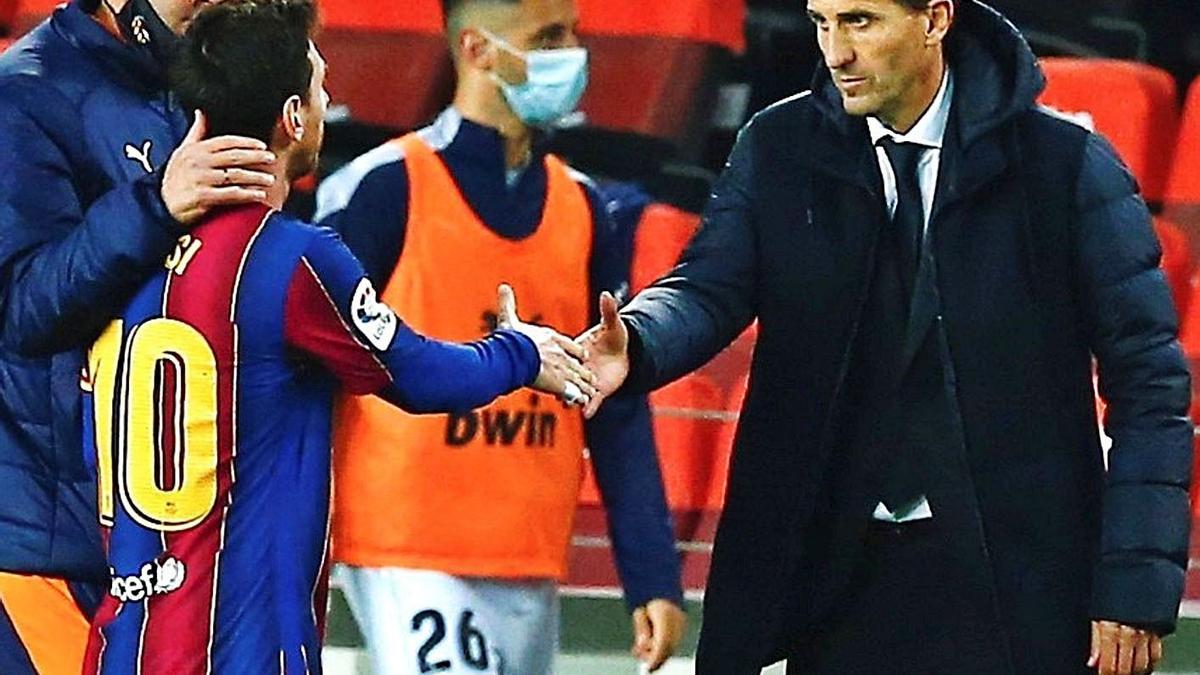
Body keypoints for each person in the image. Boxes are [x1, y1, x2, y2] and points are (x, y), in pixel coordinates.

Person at [578, 1, 1193, 674]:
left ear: (935, 18)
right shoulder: (778, 148)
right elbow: (705, 287)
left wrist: (1134, 583)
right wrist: (637, 341)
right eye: (821, 22)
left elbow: (1149, 385)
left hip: (1011, 588)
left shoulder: (1066, 166)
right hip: (828, 584)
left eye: (860, 22)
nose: (834, 52)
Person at [80, 1, 598, 672]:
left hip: (124, 635)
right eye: (321, 88)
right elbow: (415, 372)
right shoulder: (289, 259)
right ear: (292, 117)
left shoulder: (123, 252)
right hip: (240, 644)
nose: (330, 105)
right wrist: (523, 351)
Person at [313, 0, 685, 672]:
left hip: (529, 548)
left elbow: (614, 398)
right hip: (410, 543)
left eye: (574, 35)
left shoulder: (587, 208)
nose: (572, 55)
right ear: (478, 50)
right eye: (547, 38)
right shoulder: (380, 189)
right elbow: (313, 368)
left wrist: (651, 571)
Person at [0, 0, 276, 671]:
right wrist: (158, 204)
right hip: (48, 553)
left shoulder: (189, 90)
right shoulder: (23, 95)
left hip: (160, 552)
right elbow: (22, 310)